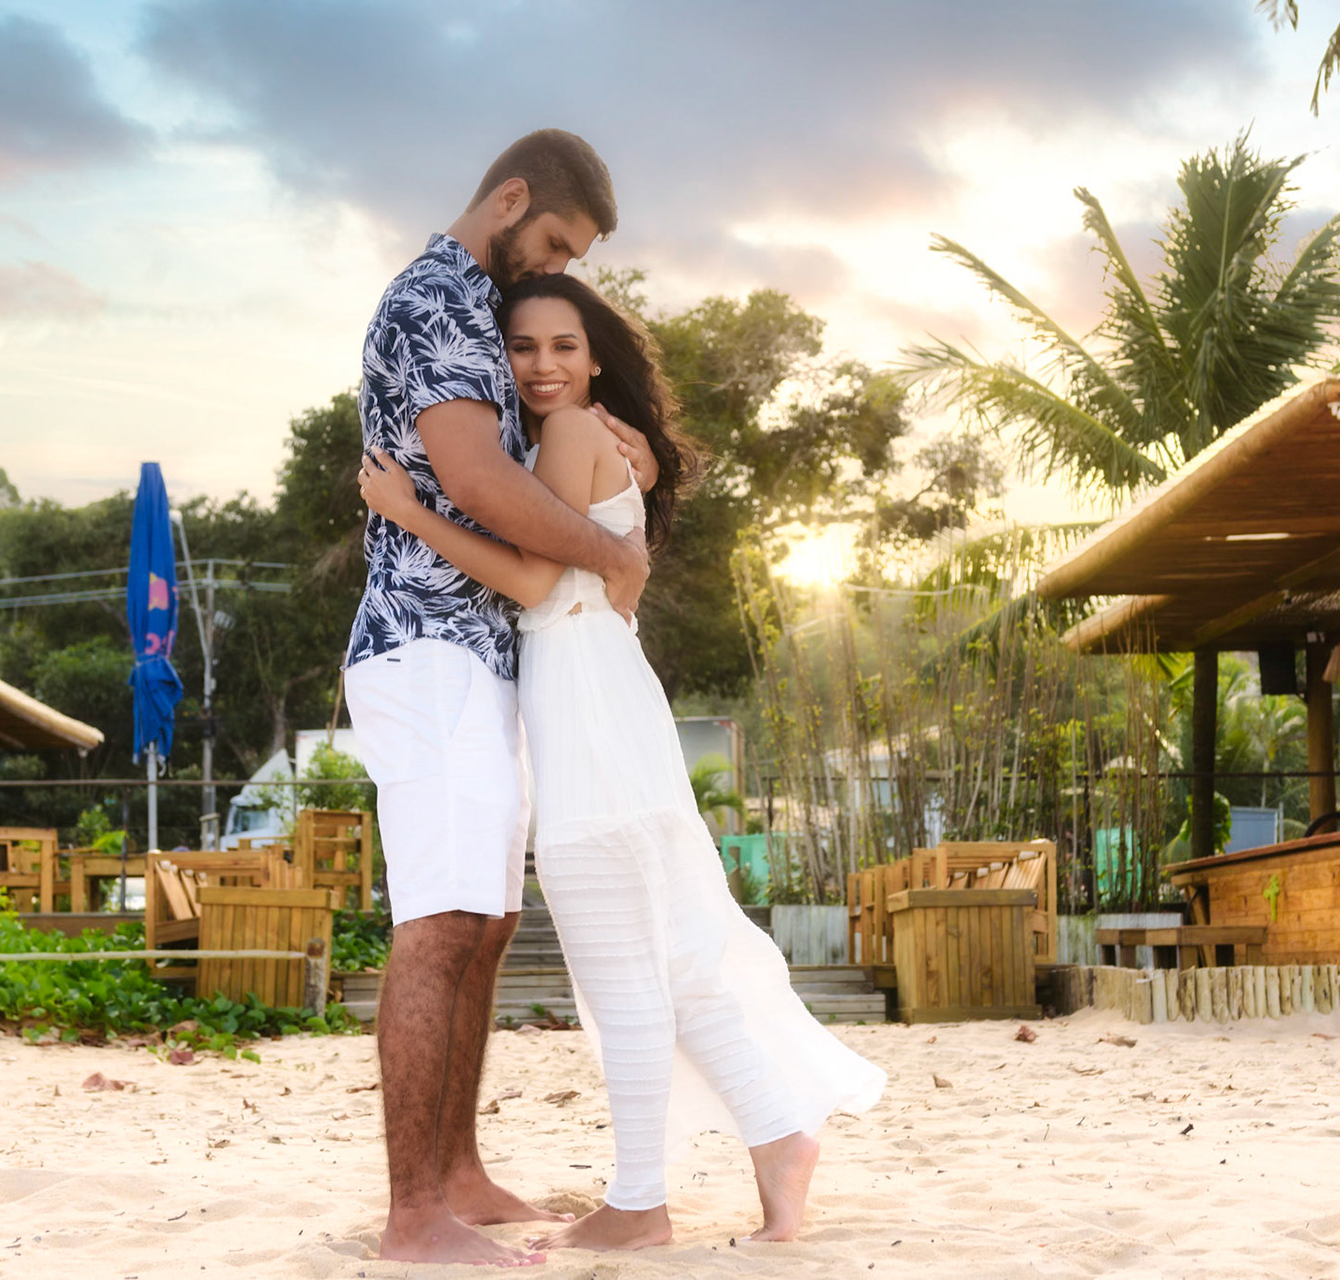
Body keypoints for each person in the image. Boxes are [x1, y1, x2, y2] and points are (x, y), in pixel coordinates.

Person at [358, 272, 886, 1251]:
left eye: (563, 345)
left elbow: (536, 576)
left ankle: (642, 1197)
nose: (543, 364)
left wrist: (408, 511)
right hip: (603, 698)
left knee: (619, 962)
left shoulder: (566, 435)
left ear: (595, 355)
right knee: (662, 959)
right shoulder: (585, 438)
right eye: (522, 348)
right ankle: (776, 1132)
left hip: (592, 709)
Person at [343, 129, 651, 1268]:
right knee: (441, 919)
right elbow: (474, 479)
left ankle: (457, 1170)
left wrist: (618, 464)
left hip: (480, 651)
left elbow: (519, 462)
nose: (556, 264)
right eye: (557, 241)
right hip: (424, 648)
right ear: (511, 198)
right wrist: (608, 555)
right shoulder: (437, 298)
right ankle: (412, 1208)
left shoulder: (478, 308)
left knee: (489, 914)